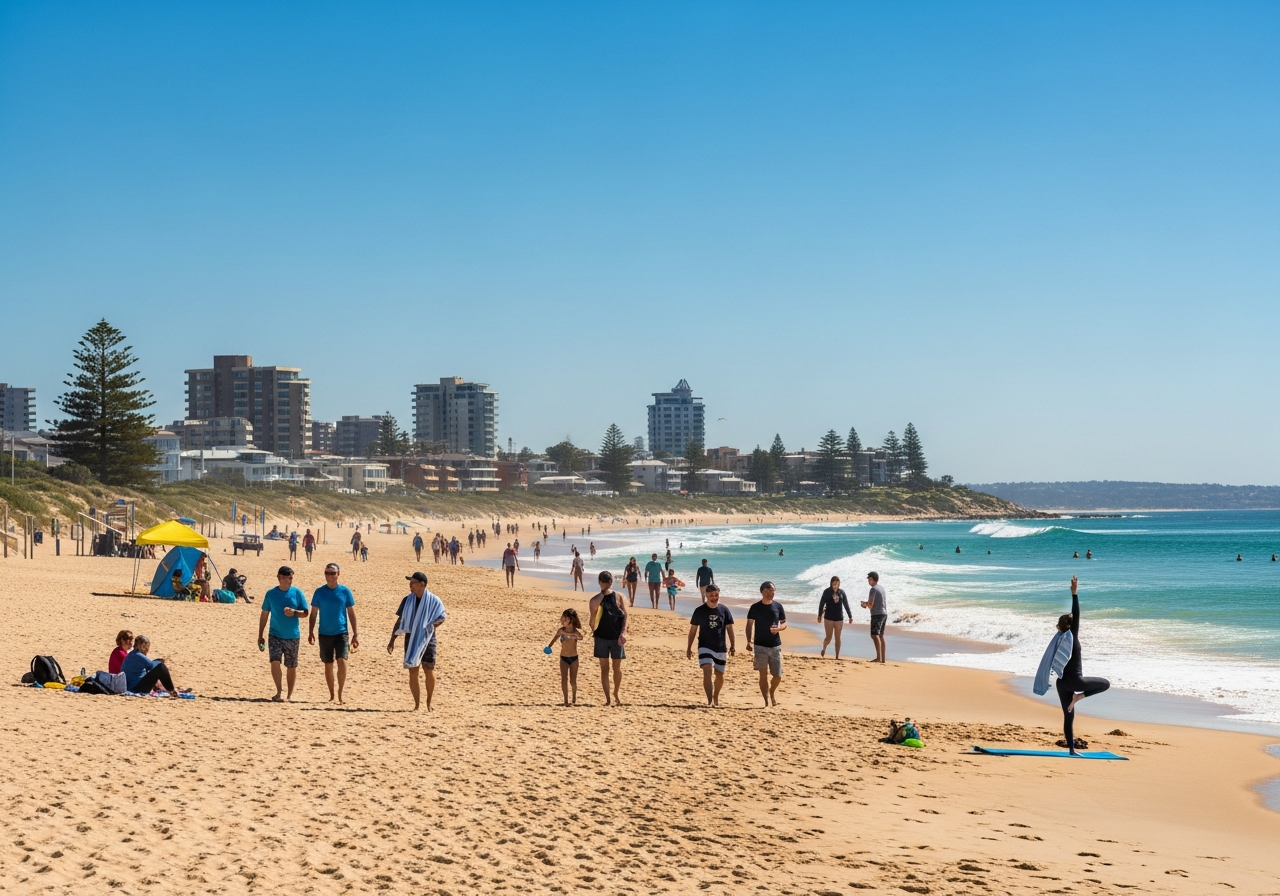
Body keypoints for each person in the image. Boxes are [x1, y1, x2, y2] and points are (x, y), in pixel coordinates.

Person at [1053, 576, 1109, 755]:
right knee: (1105, 684)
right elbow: (1077, 614)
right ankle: (1080, 697)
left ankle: (1071, 750)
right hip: (1076, 683)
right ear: (1070, 626)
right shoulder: (1071, 636)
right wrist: (1074, 594)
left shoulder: (1059, 640)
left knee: (1068, 717)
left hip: (1061, 683)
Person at [388, 572, 446, 711]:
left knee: (428, 669)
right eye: (410, 582)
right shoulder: (407, 600)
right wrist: (392, 640)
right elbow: (400, 620)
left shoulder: (434, 600)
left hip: (428, 637)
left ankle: (429, 702)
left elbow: (442, 616)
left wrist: (431, 626)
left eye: (413, 582)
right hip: (410, 636)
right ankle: (416, 705)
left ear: (422, 584)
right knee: (413, 670)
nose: (410, 585)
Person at [309, 563, 359, 704]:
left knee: (342, 661)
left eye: (333, 573)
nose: (330, 576)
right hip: (324, 633)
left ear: (338, 574)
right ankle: (331, 693)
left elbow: (351, 613)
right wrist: (310, 631)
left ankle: (340, 693)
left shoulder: (345, 591)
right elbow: (313, 613)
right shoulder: (319, 592)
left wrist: (356, 633)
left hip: (341, 632)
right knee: (328, 664)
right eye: (327, 573)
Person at [258, 566, 310, 702]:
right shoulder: (271, 594)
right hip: (274, 634)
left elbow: (305, 613)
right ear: (279, 578)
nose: (289, 581)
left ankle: (289, 694)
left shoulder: (297, 593)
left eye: (291, 578)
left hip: (292, 635)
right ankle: (278, 691)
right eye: (287, 578)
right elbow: (264, 614)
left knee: (291, 666)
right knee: (274, 661)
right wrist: (260, 634)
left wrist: (294, 612)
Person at [687, 584, 735, 707]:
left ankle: (716, 697)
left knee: (719, 674)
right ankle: (709, 701)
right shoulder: (699, 611)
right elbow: (693, 630)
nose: (714, 597)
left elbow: (729, 628)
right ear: (706, 595)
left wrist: (732, 646)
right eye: (711, 595)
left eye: (716, 595)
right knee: (707, 670)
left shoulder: (724, 610)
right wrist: (689, 647)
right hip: (704, 645)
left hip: (720, 646)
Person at [588, 571, 628, 706]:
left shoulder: (619, 597)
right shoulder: (594, 600)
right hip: (601, 637)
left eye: (607, 582)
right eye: (602, 582)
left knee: (617, 668)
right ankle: (608, 698)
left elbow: (625, 616)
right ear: (599, 582)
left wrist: (623, 632)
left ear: (611, 583)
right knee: (604, 669)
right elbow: (592, 621)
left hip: (617, 638)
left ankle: (616, 692)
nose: (604, 584)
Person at [745, 581, 786, 707]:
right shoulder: (755, 607)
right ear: (762, 592)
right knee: (763, 674)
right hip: (760, 646)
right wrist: (748, 641)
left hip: (775, 646)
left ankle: (772, 691)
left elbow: (784, 623)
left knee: (777, 676)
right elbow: (749, 625)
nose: (771, 593)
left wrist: (778, 629)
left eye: (773, 590)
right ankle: (766, 701)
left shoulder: (778, 606)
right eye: (768, 591)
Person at [547, 608, 584, 706]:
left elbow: (581, 637)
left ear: (571, 620)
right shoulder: (560, 630)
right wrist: (549, 647)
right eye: (562, 618)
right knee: (564, 679)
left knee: (573, 681)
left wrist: (569, 635)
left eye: (565, 619)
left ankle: (574, 695)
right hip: (563, 657)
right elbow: (554, 638)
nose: (563, 621)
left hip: (574, 658)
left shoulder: (575, 631)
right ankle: (566, 700)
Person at [817, 576, 853, 659]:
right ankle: (824, 648)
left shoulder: (842, 593)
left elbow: (846, 605)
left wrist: (850, 616)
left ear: (839, 584)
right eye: (834, 584)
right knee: (828, 637)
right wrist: (819, 615)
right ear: (831, 584)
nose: (835, 585)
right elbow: (821, 604)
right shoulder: (827, 592)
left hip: (839, 618)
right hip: (828, 618)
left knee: (837, 638)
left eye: (837, 584)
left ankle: (837, 656)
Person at [861, 571, 888, 664]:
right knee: (880, 636)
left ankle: (878, 658)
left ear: (873, 579)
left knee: (874, 635)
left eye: (869, 578)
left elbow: (870, 605)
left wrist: (864, 604)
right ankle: (883, 659)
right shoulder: (881, 588)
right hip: (884, 613)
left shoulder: (873, 589)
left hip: (877, 614)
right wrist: (866, 603)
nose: (868, 580)